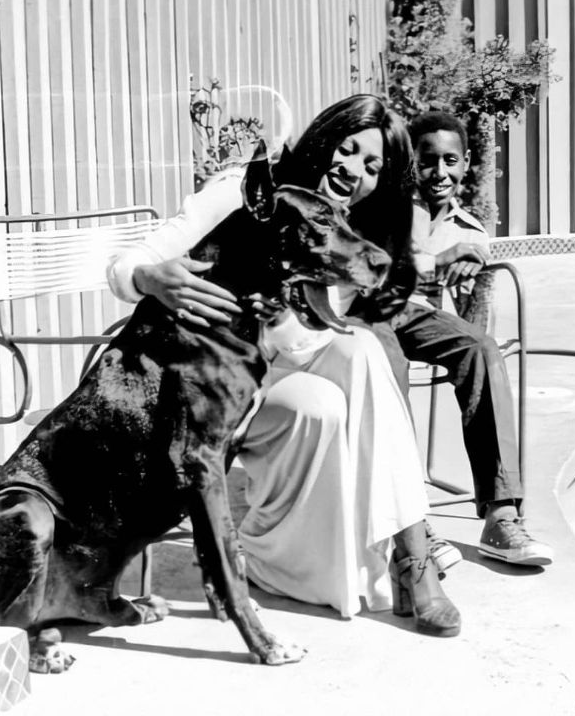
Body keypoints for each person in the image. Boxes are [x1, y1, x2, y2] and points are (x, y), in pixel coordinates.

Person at [107, 94, 461, 637]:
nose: (352, 171)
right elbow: (126, 262)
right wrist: (150, 278)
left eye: (372, 167)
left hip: (287, 369)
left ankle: (410, 553)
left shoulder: (346, 226)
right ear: (324, 137)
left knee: (361, 352)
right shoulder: (246, 192)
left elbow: (316, 331)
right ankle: (408, 558)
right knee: (326, 395)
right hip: (219, 388)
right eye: (347, 149)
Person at [392, 111, 553, 567]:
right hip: (378, 315)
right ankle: (410, 520)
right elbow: (377, 271)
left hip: (429, 325)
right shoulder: (388, 207)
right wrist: (440, 259)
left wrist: (477, 274)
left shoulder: (472, 229)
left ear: (465, 164)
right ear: (410, 162)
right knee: (383, 361)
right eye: (427, 161)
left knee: (482, 350)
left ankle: (501, 517)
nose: (439, 173)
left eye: (450, 161)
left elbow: (475, 319)